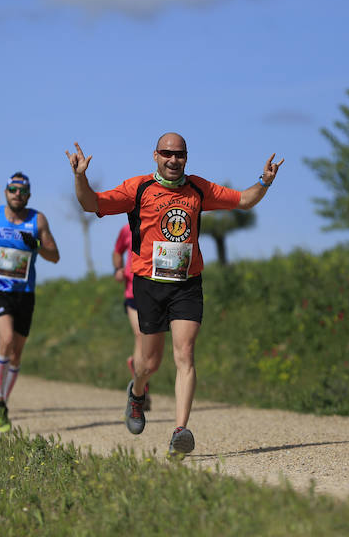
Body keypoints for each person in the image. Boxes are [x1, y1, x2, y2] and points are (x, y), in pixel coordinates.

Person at [67, 133, 283, 460]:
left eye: (179, 155)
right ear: (155, 155)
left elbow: (242, 200)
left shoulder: (198, 188)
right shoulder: (137, 188)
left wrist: (263, 182)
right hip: (149, 283)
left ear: (186, 157)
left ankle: (180, 432)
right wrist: (80, 177)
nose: (173, 160)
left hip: (187, 282)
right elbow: (91, 204)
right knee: (149, 362)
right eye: (167, 154)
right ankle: (137, 393)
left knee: (185, 354)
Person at [0, 172, 60, 432]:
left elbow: (55, 256)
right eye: (13, 190)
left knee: (16, 354)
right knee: (5, 340)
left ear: (28, 195)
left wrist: (38, 244)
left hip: (24, 292)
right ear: (5, 192)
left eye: (22, 191)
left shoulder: (37, 219)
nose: (17, 194)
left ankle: (2, 403)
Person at [112, 223, 151, 410]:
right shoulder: (127, 229)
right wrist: (118, 270)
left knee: (151, 344)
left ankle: (137, 370)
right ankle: (141, 391)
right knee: (141, 336)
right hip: (132, 292)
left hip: (156, 292)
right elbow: (117, 251)